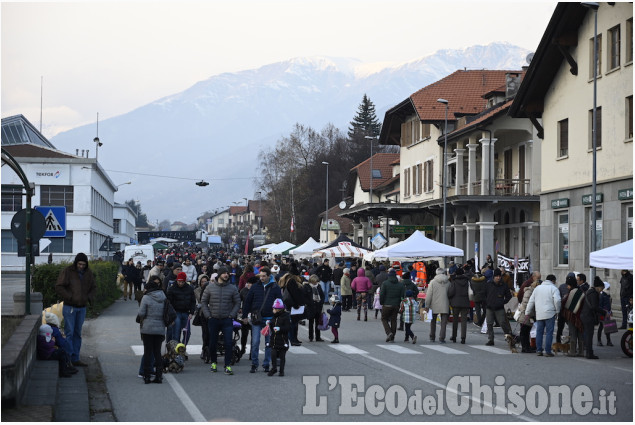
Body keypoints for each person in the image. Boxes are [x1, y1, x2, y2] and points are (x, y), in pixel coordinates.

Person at [55, 252, 96, 366]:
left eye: (83, 264)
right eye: (79, 264)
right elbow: (59, 286)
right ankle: (68, 359)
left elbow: (93, 287)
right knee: (69, 333)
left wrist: (89, 297)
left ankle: (75, 358)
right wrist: (70, 297)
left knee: (77, 333)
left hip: (82, 307)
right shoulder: (68, 271)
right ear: (76, 263)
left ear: (86, 264)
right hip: (70, 307)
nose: (81, 266)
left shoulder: (88, 273)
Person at [201, 266, 241, 375]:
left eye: (227, 273)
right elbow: (203, 302)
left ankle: (227, 365)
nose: (226, 275)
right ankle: (213, 362)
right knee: (212, 343)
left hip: (227, 320)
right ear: (219, 274)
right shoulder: (210, 287)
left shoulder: (232, 288)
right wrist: (208, 315)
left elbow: (238, 302)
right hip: (213, 319)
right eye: (224, 273)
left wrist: (232, 315)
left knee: (228, 343)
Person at [242, 266, 282, 373]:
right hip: (257, 319)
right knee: (255, 342)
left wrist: (279, 317)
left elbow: (280, 303)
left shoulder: (275, 288)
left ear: (269, 276)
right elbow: (247, 302)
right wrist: (244, 316)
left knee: (269, 344)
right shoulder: (255, 287)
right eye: (260, 276)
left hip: (270, 319)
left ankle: (266, 364)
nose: (262, 278)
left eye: (264, 276)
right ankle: (254, 364)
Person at [137, 276, 167, 384]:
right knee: (157, 353)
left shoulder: (146, 298)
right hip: (160, 328)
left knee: (148, 352)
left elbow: (141, 313)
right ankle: (159, 376)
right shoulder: (163, 297)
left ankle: (146, 376)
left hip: (148, 328)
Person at [526, 274, 561, 357]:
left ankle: (539, 350)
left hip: (539, 313)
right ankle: (548, 351)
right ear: (553, 281)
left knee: (539, 332)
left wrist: (527, 312)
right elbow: (557, 300)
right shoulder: (554, 288)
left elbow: (531, 301)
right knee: (549, 332)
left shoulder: (537, 288)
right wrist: (557, 310)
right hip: (550, 313)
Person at [484, 268, 513, 346]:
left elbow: (509, 296)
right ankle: (491, 339)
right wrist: (487, 302)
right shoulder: (489, 284)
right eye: (496, 276)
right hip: (490, 307)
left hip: (499, 307)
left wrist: (503, 302)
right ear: (494, 277)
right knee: (489, 323)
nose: (498, 277)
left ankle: (509, 337)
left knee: (503, 323)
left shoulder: (503, 285)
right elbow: (484, 294)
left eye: (499, 276)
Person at [278, 267, 305, 346]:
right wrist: (297, 304)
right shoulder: (292, 281)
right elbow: (295, 294)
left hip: (288, 304)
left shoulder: (286, 280)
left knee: (293, 322)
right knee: (293, 323)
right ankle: (292, 339)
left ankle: (294, 338)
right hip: (293, 305)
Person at [166, 271, 196, 343]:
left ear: (185, 281)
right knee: (176, 332)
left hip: (186, 312)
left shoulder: (189, 288)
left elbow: (193, 301)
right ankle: (176, 350)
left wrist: (191, 312)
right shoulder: (172, 288)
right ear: (177, 280)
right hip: (176, 313)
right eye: (179, 281)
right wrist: (171, 314)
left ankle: (183, 347)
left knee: (187, 333)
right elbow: (169, 303)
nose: (180, 283)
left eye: (182, 282)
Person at [580, 277, 605, 359]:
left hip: (584, 315)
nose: (601, 290)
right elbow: (594, 307)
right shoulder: (594, 294)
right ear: (598, 287)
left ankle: (588, 352)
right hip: (588, 316)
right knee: (589, 335)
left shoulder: (589, 292)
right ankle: (589, 353)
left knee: (588, 334)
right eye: (601, 288)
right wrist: (604, 312)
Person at [561, 277, 585, 357]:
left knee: (573, 334)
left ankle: (572, 351)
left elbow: (565, 303)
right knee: (580, 334)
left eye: (568, 285)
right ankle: (581, 352)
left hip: (571, 316)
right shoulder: (581, 292)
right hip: (580, 317)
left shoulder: (571, 293)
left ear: (570, 285)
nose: (567, 287)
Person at [425, 268, 450, 343]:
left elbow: (429, 295)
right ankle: (442, 338)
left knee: (433, 321)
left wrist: (427, 305)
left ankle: (432, 337)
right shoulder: (448, 282)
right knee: (444, 322)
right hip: (445, 304)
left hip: (434, 304)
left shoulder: (432, 282)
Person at [380, 269, 405, 342]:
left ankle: (389, 332)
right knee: (394, 320)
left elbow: (382, 294)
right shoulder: (400, 285)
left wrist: (382, 302)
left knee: (384, 318)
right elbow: (402, 295)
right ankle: (392, 336)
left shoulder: (385, 283)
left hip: (386, 304)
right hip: (396, 305)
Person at [267, 298, 290, 376]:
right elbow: (273, 326)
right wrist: (269, 324)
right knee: (273, 355)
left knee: (282, 356)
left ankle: (281, 371)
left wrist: (280, 329)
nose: (273, 309)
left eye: (274, 308)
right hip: (274, 339)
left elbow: (288, 328)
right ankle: (274, 368)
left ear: (279, 309)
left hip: (283, 340)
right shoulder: (274, 316)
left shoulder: (286, 316)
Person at [448, 267, 470, 344]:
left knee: (455, 320)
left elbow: (451, 292)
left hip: (455, 303)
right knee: (464, 321)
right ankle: (463, 337)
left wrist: (449, 297)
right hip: (465, 303)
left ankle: (454, 336)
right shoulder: (467, 280)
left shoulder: (454, 281)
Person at [517, 280, 538, 353]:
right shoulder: (529, 292)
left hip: (527, 314)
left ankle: (526, 346)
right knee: (524, 331)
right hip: (526, 315)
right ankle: (525, 347)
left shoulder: (530, 291)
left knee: (526, 331)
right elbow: (526, 304)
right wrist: (531, 314)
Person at [194, 274, 211, 362]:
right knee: (205, 333)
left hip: (212, 312)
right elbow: (201, 300)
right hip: (203, 313)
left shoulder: (211, 288)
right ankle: (204, 349)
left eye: (205, 281)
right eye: (202, 282)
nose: (204, 283)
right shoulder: (197, 290)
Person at [303, 274, 325, 343]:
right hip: (310, 307)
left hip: (318, 307)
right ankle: (311, 337)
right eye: (314, 282)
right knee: (311, 323)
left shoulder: (319, 286)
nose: (316, 283)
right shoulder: (306, 287)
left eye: (316, 282)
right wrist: (310, 303)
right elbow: (304, 297)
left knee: (318, 323)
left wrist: (321, 302)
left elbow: (322, 295)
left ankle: (318, 337)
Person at [239, 276, 257, 356]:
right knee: (244, 334)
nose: (248, 285)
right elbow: (239, 300)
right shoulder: (243, 290)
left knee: (254, 335)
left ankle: (252, 352)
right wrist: (239, 309)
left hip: (255, 315)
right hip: (245, 314)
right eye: (248, 283)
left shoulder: (258, 291)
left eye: (250, 283)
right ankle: (243, 347)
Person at [598, 282, 613, 346]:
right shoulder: (602, 295)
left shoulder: (608, 295)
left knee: (608, 327)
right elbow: (600, 305)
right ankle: (599, 341)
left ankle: (608, 341)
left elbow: (609, 304)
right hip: (603, 313)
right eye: (608, 287)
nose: (609, 288)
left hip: (608, 313)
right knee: (601, 327)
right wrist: (603, 312)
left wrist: (610, 311)